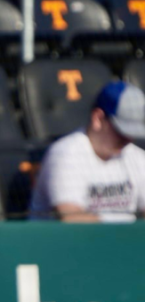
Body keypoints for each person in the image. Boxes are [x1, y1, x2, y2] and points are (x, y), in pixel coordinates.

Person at [30, 81, 145, 223]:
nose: (128, 139)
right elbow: (72, 218)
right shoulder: (65, 154)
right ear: (98, 118)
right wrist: (129, 226)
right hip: (60, 243)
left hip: (117, 242)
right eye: (121, 132)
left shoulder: (136, 157)